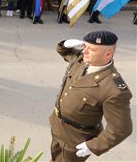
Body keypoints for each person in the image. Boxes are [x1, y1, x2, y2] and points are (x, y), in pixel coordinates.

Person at [50, 30, 133, 162]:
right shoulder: (82, 59)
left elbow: (122, 129)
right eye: (85, 47)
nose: (84, 52)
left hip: (75, 138)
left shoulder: (114, 89)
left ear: (108, 54)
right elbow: (64, 52)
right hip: (57, 125)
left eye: (92, 49)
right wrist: (65, 44)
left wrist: (93, 146)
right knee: (55, 157)